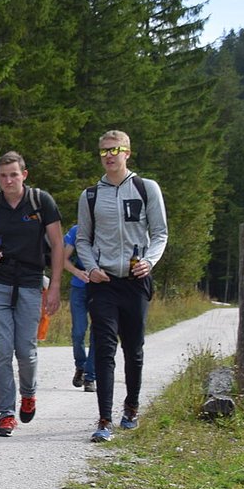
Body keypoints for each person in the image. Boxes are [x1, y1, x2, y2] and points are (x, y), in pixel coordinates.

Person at [75, 130, 168, 443]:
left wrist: (149, 261)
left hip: (136, 281)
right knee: (104, 349)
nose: (109, 156)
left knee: (134, 348)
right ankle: (104, 419)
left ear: (127, 152)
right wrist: (91, 268)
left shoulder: (146, 188)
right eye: (104, 151)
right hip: (104, 283)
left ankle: (131, 408)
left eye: (115, 150)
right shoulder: (90, 195)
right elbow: (83, 239)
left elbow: (160, 233)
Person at [0, 152, 65, 437]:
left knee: (26, 350)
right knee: (2, 350)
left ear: (24, 175)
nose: (9, 180)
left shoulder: (40, 202)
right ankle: (6, 414)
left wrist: (55, 286)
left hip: (30, 282)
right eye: (3, 175)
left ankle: (29, 393)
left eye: (14, 174)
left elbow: (58, 245)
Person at [61, 222, 96, 392]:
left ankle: (90, 376)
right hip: (80, 285)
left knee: (98, 332)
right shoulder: (77, 230)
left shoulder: (109, 227)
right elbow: (62, 258)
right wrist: (77, 272)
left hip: (102, 287)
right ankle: (80, 366)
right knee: (78, 331)